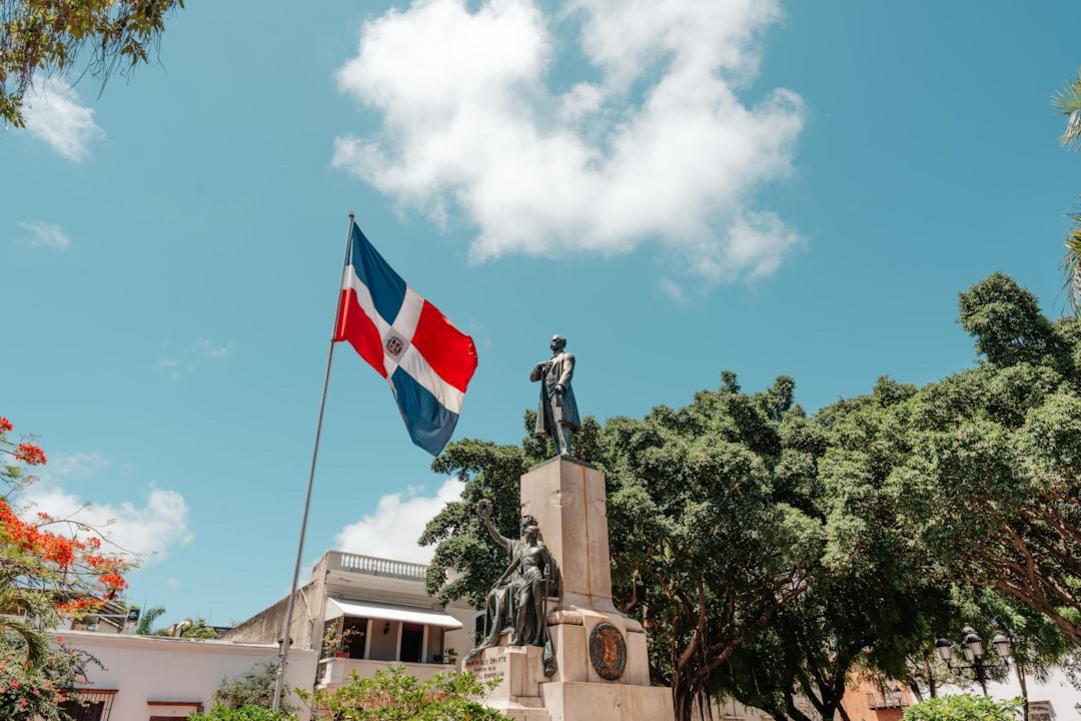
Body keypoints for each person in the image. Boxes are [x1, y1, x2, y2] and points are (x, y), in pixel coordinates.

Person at [465, 499, 559, 676]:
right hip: (522, 582)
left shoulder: (540, 548)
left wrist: (547, 574)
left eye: (527, 526)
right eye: (523, 526)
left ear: (533, 530)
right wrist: (487, 520)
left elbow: (548, 566)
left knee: (519, 597)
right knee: (496, 594)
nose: (524, 530)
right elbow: (499, 539)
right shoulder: (518, 547)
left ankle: (534, 636)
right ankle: (511, 634)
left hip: (534, 580)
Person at [530, 335, 580, 457]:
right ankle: (559, 451)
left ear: (561, 343)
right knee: (552, 424)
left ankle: (565, 449)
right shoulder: (547, 362)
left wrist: (561, 385)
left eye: (554, 340)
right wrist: (538, 366)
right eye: (551, 340)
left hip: (560, 393)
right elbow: (533, 378)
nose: (551, 342)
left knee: (562, 421)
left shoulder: (567, 356)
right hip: (547, 396)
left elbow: (568, 371)